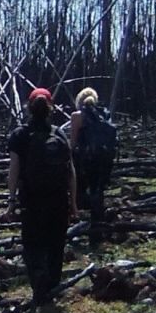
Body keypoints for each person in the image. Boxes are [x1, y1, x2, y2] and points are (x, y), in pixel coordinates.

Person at [7, 89, 77, 305]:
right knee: (55, 246)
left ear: (29, 107)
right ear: (51, 107)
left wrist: (11, 201)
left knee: (32, 245)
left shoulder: (20, 135)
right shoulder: (59, 134)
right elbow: (71, 171)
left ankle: (38, 279)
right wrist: (73, 203)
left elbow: (14, 170)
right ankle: (52, 289)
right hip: (58, 200)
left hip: (32, 199)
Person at [66, 87, 118, 246]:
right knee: (98, 193)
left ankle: (75, 224)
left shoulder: (77, 116)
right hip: (103, 161)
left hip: (84, 161)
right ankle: (97, 231)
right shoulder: (105, 115)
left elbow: (73, 143)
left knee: (78, 193)